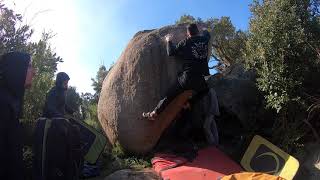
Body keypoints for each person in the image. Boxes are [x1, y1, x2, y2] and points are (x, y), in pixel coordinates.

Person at [143, 23, 211, 120]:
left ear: (188, 33)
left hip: (186, 79)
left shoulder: (186, 42)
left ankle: (154, 113)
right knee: (205, 90)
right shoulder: (204, 39)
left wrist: (169, 41)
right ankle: (189, 104)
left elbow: (171, 52)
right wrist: (205, 29)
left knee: (169, 96)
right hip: (199, 79)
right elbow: (207, 34)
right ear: (197, 32)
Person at [0, 52, 35, 180]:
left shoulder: (14, 101)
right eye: (29, 66)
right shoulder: (3, 103)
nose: (34, 72)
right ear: (17, 69)